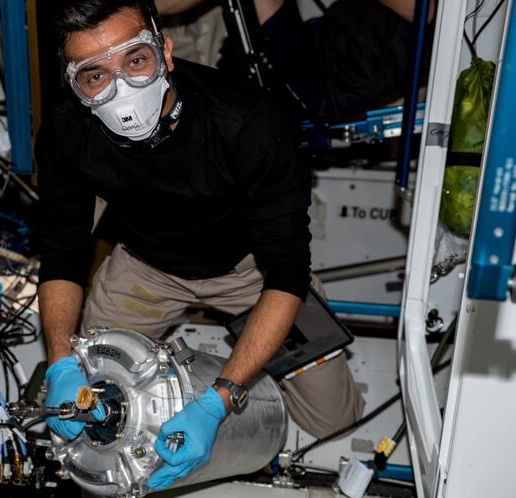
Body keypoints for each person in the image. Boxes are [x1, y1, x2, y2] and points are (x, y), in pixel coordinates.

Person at [36, 0, 364, 490]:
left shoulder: (248, 122)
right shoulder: (66, 130)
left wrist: (220, 398)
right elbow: (63, 254)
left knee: (334, 421)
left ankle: (253, 369)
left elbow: (286, 276)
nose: (120, 87)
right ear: (73, 84)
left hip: (249, 271)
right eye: (94, 76)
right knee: (79, 404)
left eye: (136, 60)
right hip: (145, 266)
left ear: (165, 52)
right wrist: (62, 361)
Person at [157, 0, 436, 120]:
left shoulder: (447, 15)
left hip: (322, 84)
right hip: (319, 47)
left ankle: (133, 9)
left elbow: (427, 12)